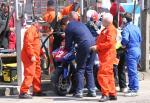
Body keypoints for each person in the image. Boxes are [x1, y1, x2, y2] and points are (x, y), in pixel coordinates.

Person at [60, 16, 96, 98]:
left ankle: (79, 91)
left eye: (62, 27)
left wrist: (64, 49)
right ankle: (92, 90)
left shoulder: (69, 27)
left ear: (64, 24)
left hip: (84, 45)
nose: (63, 29)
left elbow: (68, 45)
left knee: (80, 68)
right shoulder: (79, 23)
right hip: (93, 43)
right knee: (89, 68)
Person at [19, 20, 50, 99]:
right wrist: (32, 55)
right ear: (36, 24)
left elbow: (36, 45)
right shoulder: (31, 30)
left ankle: (37, 90)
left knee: (37, 73)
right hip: (29, 57)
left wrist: (42, 53)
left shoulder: (36, 31)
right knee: (30, 74)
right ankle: (23, 92)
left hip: (34, 56)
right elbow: (28, 44)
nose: (42, 27)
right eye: (41, 25)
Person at [90, 13, 118, 102]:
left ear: (106, 21)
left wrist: (97, 47)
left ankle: (105, 94)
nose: (101, 21)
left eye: (102, 20)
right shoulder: (107, 29)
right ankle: (112, 94)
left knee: (102, 74)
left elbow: (109, 43)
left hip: (108, 56)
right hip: (106, 55)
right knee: (109, 75)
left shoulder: (111, 30)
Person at [121, 12, 142, 97]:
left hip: (131, 50)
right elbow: (140, 39)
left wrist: (122, 44)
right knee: (133, 70)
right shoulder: (136, 27)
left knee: (132, 71)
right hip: (137, 49)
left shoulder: (126, 28)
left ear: (125, 20)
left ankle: (134, 89)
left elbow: (125, 40)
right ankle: (131, 87)